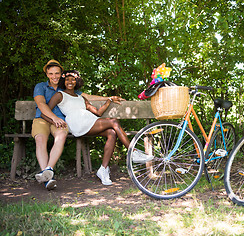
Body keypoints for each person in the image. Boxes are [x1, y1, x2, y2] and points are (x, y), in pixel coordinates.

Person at [42, 70, 153, 186]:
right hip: (77, 123)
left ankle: (103, 170)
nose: (70, 82)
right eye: (67, 79)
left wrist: (109, 100)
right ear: (63, 81)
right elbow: (45, 112)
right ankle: (133, 152)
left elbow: (98, 113)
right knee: (114, 121)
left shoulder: (81, 98)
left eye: (73, 79)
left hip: (88, 120)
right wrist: (55, 121)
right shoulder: (60, 95)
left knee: (111, 132)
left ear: (77, 81)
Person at [32, 60, 125, 190]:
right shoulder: (40, 86)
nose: (54, 76)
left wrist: (108, 98)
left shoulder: (65, 87)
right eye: (51, 73)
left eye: (57, 73)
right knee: (40, 139)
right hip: (42, 119)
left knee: (61, 136)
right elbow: (42, 105)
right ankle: (47, 178)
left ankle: (48, 170)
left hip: (61, 121)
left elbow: (87, 97)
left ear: (61, 74)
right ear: (47, 74)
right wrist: (53, 118)